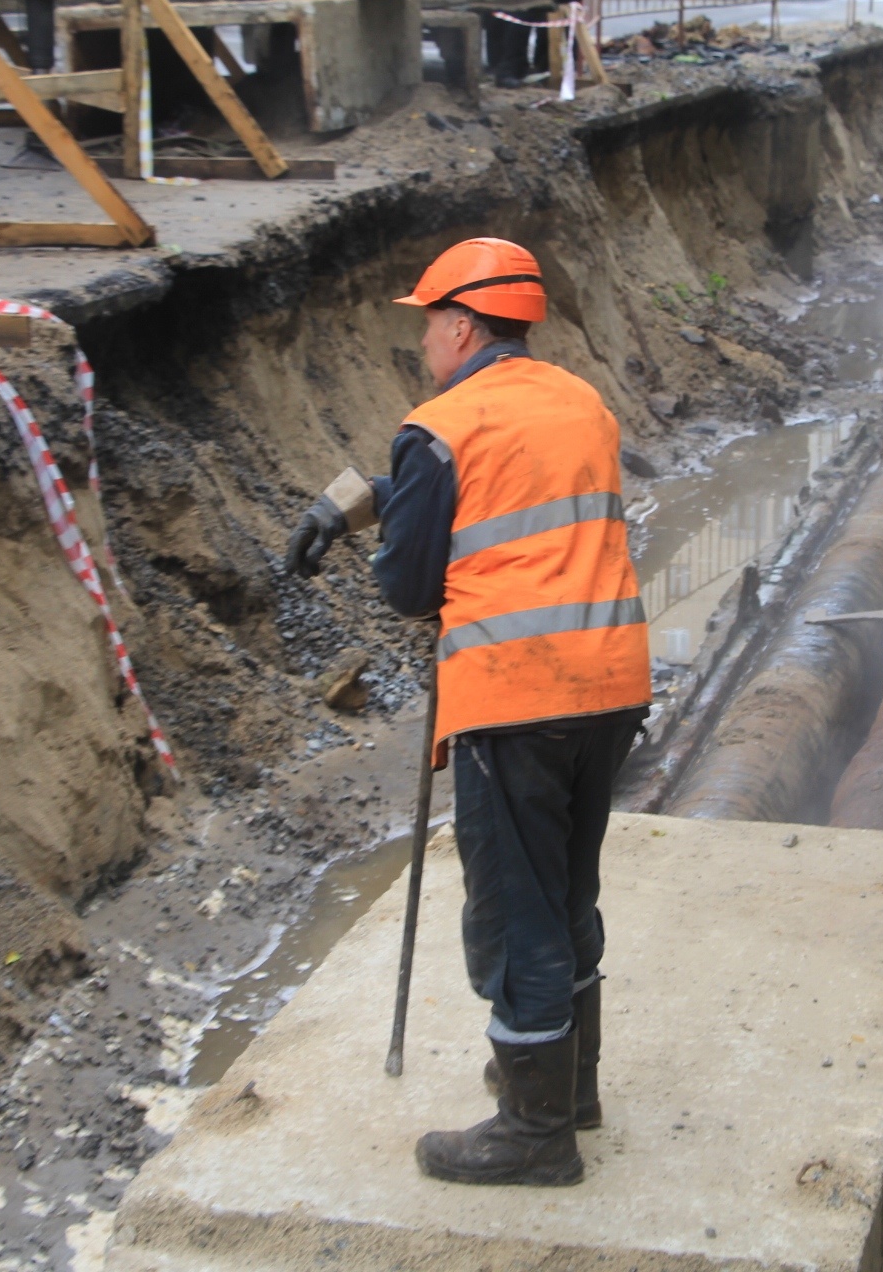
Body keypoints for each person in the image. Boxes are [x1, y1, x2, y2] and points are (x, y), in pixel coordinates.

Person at [283, 238, 651, 1188]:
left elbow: (412, 588)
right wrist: (360, 501)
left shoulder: (439, 425)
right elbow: (509, 485)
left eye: (426, 327)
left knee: (513, 911)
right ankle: (572, 1090)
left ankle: (533, 1135)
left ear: (460, 324)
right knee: (567, 892)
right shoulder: (583, 402)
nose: (422, 346)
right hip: (608, 682)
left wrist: (384, 539)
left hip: (514, 698)